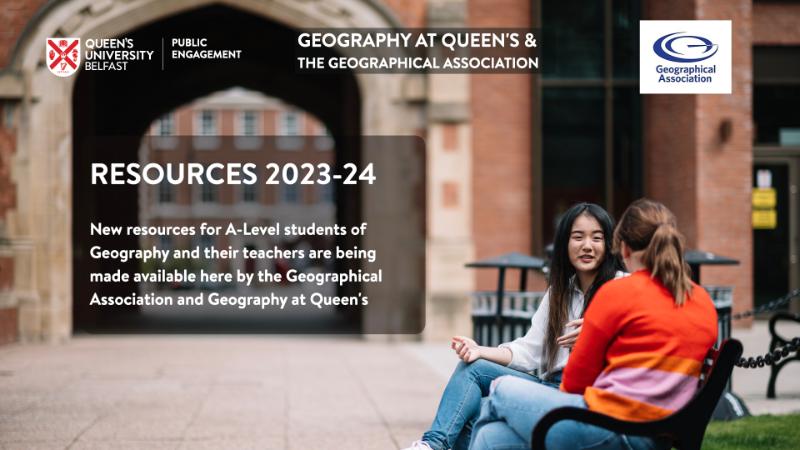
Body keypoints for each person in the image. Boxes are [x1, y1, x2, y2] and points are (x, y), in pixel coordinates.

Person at [469, 199, 718, 450]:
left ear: (624, 249)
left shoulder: (616, 292)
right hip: (657, 434)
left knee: (500, 391)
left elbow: (575, 385)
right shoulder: (703, 301)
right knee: (492, 436)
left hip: (611, 428)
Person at [403, 203, 624, 450]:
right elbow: (528, 352)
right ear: (564, 243)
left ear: (609, 245)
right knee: (472, 369)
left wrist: (598, 331)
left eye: (597, 238)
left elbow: (640, 336)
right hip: (547, 384)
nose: (587, 246)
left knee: (478, 419)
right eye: (578, 237)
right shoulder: (559, 293)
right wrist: (480, 350)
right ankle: (432, 445)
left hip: (584, 394)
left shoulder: (621, 286)